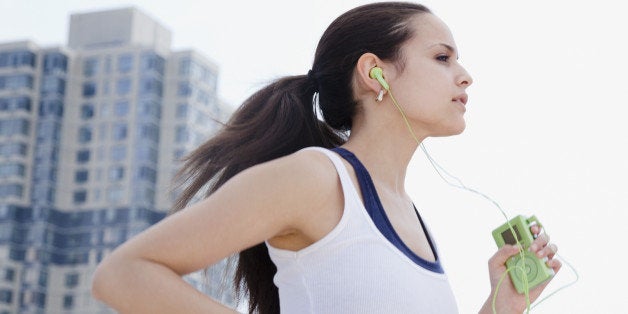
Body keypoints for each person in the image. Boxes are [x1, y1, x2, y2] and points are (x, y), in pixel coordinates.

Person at [91, 2, 561, 313]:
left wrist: (504, 304)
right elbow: (123, 273)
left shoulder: (415, 220)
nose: (466, 77)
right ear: (374, 73)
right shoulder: (315, 179)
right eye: (442, 57)